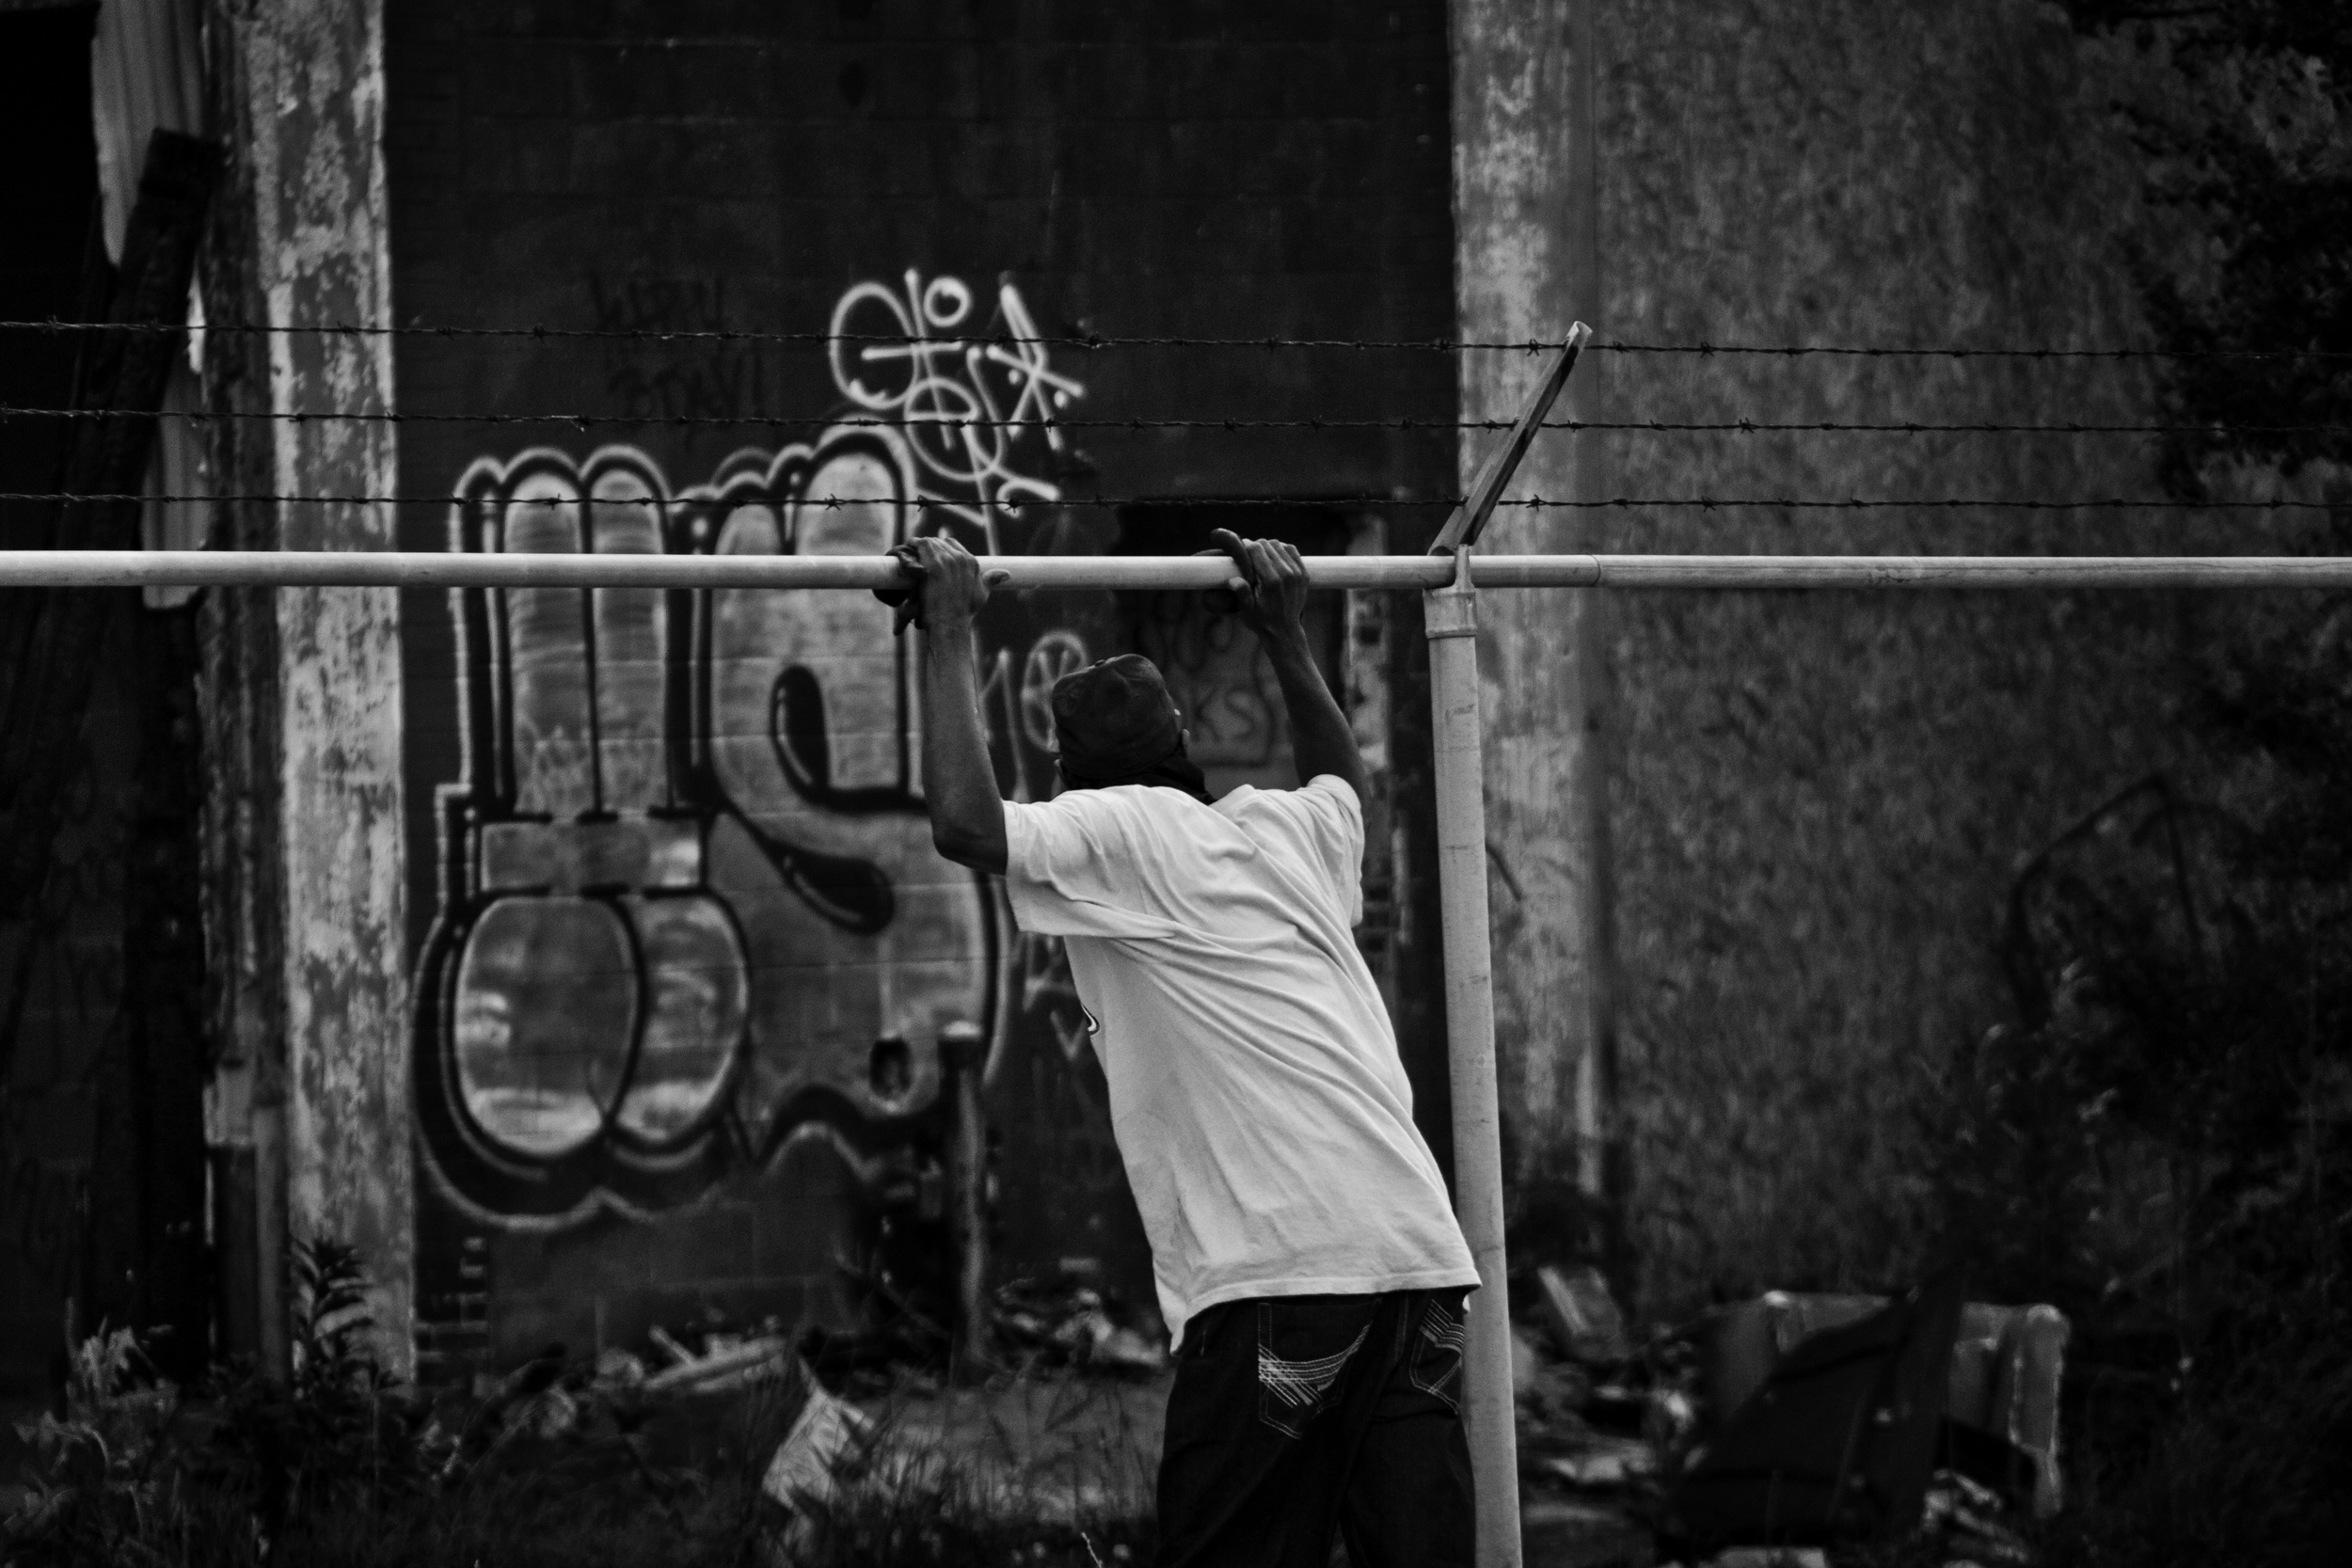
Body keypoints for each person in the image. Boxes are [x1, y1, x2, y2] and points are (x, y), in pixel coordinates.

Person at [903, 530, 1478, 1567]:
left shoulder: (1118, 831)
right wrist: (1283, 634)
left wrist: (946, 630)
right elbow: (1345, 785)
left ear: (1075, 775)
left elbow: (965, 823)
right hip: (1416, 1264)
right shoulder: (1282, 833)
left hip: (1282, 1277)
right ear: (1184, 739)